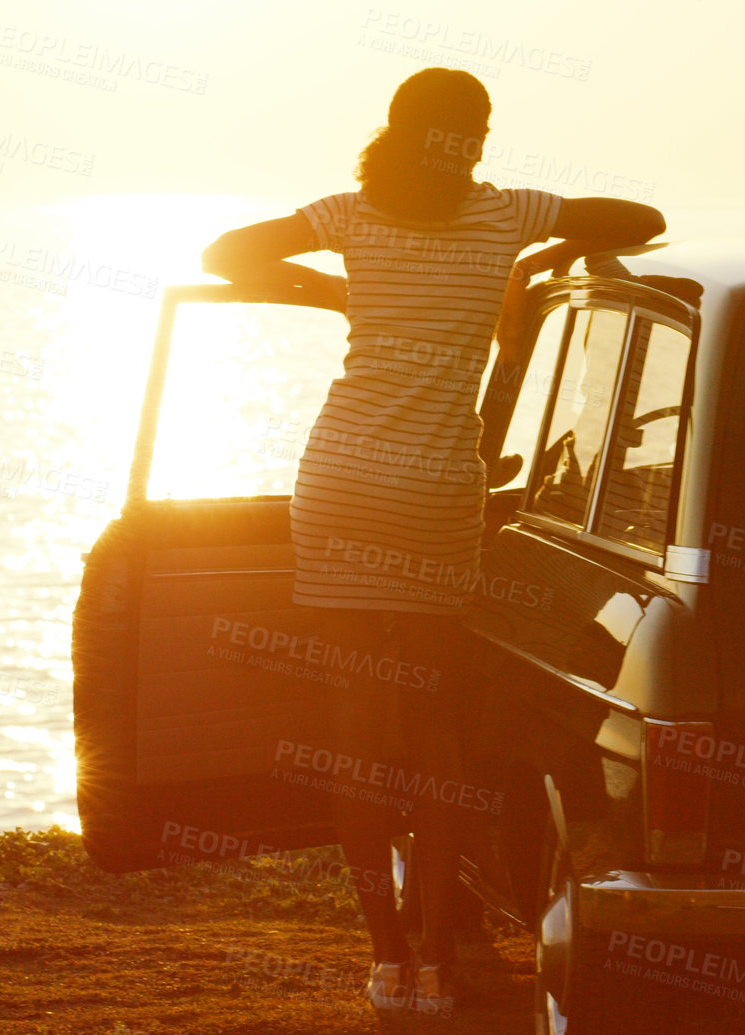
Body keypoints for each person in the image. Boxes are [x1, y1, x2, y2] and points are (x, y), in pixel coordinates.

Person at [199, 67, 664, 1014]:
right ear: (466, 140)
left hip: (339, 488)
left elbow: (224, 250)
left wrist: (334, 296)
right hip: (432, 501)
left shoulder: (353, 213)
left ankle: (387, 962)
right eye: (475, 131)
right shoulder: (504, 214)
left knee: (357, 738)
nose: (481, 146)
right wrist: (543, 245)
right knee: (438, 738)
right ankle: (439, 957)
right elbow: (640, 219)